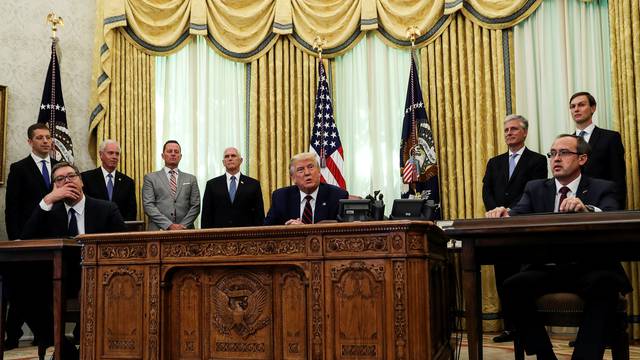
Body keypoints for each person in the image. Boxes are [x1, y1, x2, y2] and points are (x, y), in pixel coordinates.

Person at [486, 134, 630, 360]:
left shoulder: (602, 188)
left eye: (563, 153)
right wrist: (505, 213)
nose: (556, 158)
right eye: (552, 153)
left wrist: (588, 210)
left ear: (582, 159)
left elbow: (612, 214)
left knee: (606, 286)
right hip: (548, 269)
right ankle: (545, 356)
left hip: (591, 267)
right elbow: (518, 212)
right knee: (512, 286)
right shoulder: (535, 188)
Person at [21, 161, 126, 359]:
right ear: (54, 187)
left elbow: (123, 249)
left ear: (81, 181)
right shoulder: (50, 212)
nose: (67, 181)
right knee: (18, 285)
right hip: (59, 278)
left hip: (99, 277)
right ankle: (67, 350)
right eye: (60, 179)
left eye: (71, 176)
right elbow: (26, 238)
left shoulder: (106, 209)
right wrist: (48, 199)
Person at [482, 114, 547, 343]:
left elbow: (533, 191)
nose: (509, 133)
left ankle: (527, 328)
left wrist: (510, 211)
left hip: (522, 227)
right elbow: (487, 191)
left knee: (522, 277)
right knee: (503, 278)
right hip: (498, 228)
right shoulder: (494, 162)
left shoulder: (538, 161)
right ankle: (510, 327)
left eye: (514, 129)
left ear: (524, 132)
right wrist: (496, 210)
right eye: (506, 130)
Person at [3, 123, 59, 348]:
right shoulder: (19, 168)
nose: (46, 141)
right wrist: (17, 238)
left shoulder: (60, 167)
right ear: (30, 142)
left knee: (47, 287)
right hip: (27, 237)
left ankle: (44, 334)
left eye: (48, 137)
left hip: (54, 238)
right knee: (21, 287)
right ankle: (12, 336)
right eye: (40, 138)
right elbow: (12, 207)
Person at [569, 91, 626, 206]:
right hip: (571, 205)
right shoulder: (567, 143)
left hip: (602, 204)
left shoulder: (611, 138)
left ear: (593, 108)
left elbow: (618, 177)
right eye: (572, 106)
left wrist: (616, 206)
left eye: (581, 105)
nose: (576, 109)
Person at [264, 152, 348, 225]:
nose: (307, 173)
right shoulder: (281, 197)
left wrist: (304, 229)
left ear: (319, 172)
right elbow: (267, 229)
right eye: (300, 170)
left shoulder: (337, 196)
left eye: (311, 167)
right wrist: (288, 229)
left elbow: (343, 230)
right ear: (293, 178)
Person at [142, 140, 200, 230]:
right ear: (162, 156)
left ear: (180, 156)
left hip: (186, 231)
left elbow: (195, 206)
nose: (173, 154)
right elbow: (148, 205)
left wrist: (182, 226)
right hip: (159, 231)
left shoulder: (191, 179)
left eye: (176, 152)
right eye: (169, 151)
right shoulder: (150, 178)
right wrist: (169, 225)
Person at [201, 147, 264, 228]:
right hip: (219, 236)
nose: (230, 158)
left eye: (233, 156)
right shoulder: (212, 185)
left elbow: (259, 215)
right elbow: (206, 215)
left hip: (246, 235)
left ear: (241, 161)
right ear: (223, 162)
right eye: (227, 156)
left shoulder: (253, 184)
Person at [81, 139, 137, 221]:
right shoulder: (86, 178)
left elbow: (131, 212)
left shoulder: (128, 182)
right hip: (94, 229)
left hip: (119, 229)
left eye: (117, 154)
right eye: (110, 153)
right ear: (101, 155)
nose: (114, 157)